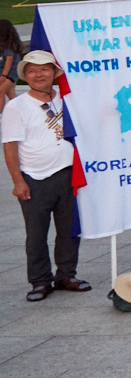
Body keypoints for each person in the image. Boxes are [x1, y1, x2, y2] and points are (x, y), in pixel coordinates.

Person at [3, 51, 88, 302]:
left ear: (54, 72)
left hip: (68, 174)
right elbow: (9, 147)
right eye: (32, 70)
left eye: (44, 69)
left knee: (69, 230)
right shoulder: (17, 106)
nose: (39, 75)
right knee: (36, 234)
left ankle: (66, 275)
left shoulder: (67, 98)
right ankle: (40, 281)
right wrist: (18, 181)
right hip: (34, 178)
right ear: (25, 76)